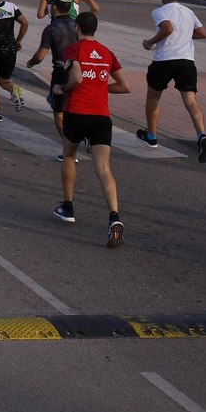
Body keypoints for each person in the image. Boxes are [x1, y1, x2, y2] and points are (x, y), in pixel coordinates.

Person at [57, 13, 130, 248]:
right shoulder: (107, 53)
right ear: (95, 29)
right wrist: (101, 87)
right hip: (101, 116)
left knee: (69, 155)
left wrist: (63, 90)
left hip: (77, 112)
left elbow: (76, 78)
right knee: (103, 168)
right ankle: (114, 217)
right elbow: (124, 86)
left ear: (77, 27)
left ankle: (68, 206)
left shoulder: (73, 50)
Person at [138, 0, 206, 162]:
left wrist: (150, 43)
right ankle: (202, 135)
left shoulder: (159, 11)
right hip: (186, 61)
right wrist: (185, 35)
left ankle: (152, 136)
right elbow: (203, 33)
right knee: (191, 101)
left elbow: (167, 28)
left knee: (153, 98)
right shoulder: (188, 11)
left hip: (164, 60)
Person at [27, 0, 80, 161]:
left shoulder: (51, 29)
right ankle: (83, 136)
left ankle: (69, 151)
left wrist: (31, 62)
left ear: (55, 8)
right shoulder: (78, 25)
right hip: (80, 71)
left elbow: (40, 56)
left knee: (59, 113)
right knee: (77, 108)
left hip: (61, 72)